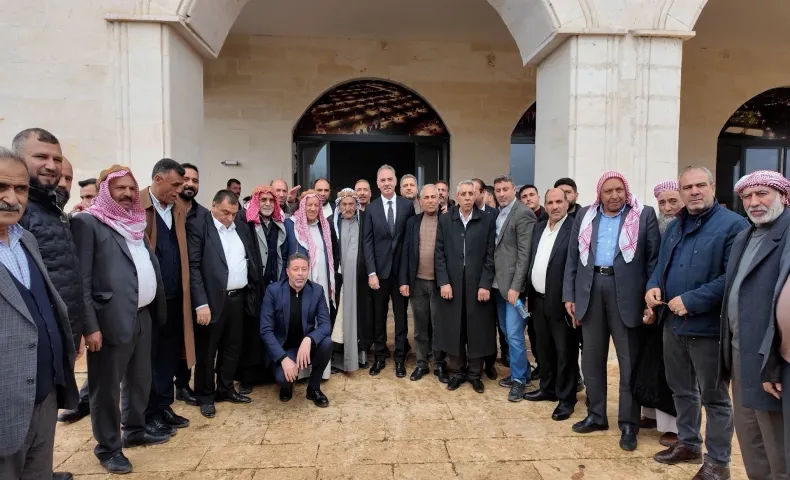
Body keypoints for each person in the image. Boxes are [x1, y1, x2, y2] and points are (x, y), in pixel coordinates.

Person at [645, 167, 747, 479]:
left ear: (713, 187)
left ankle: (718, 463)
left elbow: (732, 278)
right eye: (687, 187)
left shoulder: (734, 225)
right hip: (672, 324)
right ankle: (689, 444)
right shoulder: (676, 226)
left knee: (714, 398)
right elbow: (661, 265)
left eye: (700, 185)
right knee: (681, 389)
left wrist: (692, 300)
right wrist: (653, 286)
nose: (694, 191)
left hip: (708, 328)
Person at [71, 165, 168, 474]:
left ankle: (135, 430)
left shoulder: (134, 222)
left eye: (130, 188)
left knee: (140, 379)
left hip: (142, 315)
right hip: (109, 321)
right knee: (106, 389)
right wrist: (90, 326)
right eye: (119, 188)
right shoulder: (88, 223)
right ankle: (108, 447)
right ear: (105, 191)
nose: (127, 193)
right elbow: (81, 280)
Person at [564, 171, 660, 451]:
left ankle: (629, 424)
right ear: (600, 194)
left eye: (619, 190)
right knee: (591, 359)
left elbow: (653, 261)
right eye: (608, 191)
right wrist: (569, 295)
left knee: (628, 362)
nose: (614, 195)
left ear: (626, 191)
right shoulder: (586, 215)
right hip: (590, 290)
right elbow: (573, 258)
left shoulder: (643, 215)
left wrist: (649, 299)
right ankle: (596, 416)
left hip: (627, 295)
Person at [0, 147, 78, 480]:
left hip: (43, 394)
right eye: (1, 187)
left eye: (20, 189)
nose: (11, 198)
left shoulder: (25, 240)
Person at [719, 170, 789, 480]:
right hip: (740, 351)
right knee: (750, 436)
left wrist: (773, 364)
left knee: (777, 444)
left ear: (782, 196)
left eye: (762, 193)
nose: (753, 202)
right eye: (747, 196)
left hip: (770, 358)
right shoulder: (745, 236)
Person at [15, 130, 85, 437]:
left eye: (56, 158)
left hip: (58, 335)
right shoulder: (19, 211)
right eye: (41, 157)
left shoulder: (53, 211)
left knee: (44, 422)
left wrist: (74, 330)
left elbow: (67, 275)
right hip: (28, 341)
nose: (51, 166)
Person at [187, 189, 257, 418]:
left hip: (238, 299)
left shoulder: (242, 228)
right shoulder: (200, 227)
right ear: (214, 205)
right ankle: (205, 395)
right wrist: (200, 303)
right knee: (208, 351)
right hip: (211, 301)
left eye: (233, 213)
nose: (229, 218)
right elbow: (193, 267)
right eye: (225, 212)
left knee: (232, 347)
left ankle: (225, 389)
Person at [140, 159, 192, 435]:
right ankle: (147, 413)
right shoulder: (136, 206)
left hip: (174, 298)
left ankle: (163, 406)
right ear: (157, 179)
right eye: (175, 184)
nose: (179, 190)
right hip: (149, 301)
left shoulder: (178, 209)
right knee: (147, 358)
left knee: (168, 356)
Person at [435, 180, 497, 393]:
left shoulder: (487, 220)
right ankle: (457, 372)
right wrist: (444, 281)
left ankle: (475, 374)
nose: (468, 197)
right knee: (455, 328)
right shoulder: (445, 220)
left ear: (477, 195)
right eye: (464, 194)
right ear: (457, 196)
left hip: (477, 285)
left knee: (477, 329)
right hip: (452, 284)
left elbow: (491, 254)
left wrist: (485, 284)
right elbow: (439, 254)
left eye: (471, 193)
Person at [524, 188, 577, 420]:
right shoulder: (539, 228)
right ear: (545, 205)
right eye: (550, 202)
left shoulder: (574, 229)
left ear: (567, 203)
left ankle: (566, 398)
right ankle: (548, 388)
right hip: (538, 300)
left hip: (562, 302)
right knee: (543, 349)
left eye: (559, 202)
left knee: (565, 352)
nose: (554, 206)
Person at [638, 180, 683, 446]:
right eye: (662, 202)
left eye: (672, 201)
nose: (667, 207)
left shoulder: (686, 228)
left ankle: (676, 427)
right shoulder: (658, 228)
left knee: (673, 371)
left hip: (678, 310)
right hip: (654, 306)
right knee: (651, 364)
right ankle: (651, 415)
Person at [260, 253, 332, 407]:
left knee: (327, 343)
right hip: (284, 349)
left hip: (305, 347)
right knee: (283, 378)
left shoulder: (316, 291)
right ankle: (286, 386)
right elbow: (265, 330)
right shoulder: (273, 291)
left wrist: (309, 339)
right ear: (287, 271)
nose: (300, 273)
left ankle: (313, 389)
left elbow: (326, 325)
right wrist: (283, 358)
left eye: (304, 269)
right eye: (296, 269)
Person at [363, 165, 415, 377]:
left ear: (395, 181)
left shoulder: (406, 206)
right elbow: (367, 242)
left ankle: (400, 359)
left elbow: (409, 242)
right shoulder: (371, 208)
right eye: (382, 180)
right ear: (377, 183)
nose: (386, 183)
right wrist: (371, 273)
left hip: (400, 274)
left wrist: (406, 276)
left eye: (389, 179)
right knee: (379, 317)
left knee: (401, 318)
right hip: (379, 274)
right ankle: (380, 357)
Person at [237, 185, 289, 392]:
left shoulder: (277, 223)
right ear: (256, 202)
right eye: (263, 200)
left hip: (274, 286)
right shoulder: (246, 223)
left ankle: (269, 372)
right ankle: (248, 377)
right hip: (253, 287)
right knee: (252, 331)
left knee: (271, 328)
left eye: (271, 200)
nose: (267, 204)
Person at [491, 175, 536, 401]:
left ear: (513, 189)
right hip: (498, 285)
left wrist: (516, 287)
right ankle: (523, 373)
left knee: (515, 334)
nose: (501, 193)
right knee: (507, 332)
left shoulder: (523, 213)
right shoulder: (500, 213)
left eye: (505, 189)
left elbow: (524, 255)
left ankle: (518, 381)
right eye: (498, 190)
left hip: (514, 290)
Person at [285, 190, 336, 379]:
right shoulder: (291, 225)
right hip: (299, 283)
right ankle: (300, 370)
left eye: (316, 205)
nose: (313, 208)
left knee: (321, 322)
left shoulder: (324, 226)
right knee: (302, 321)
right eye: (309, 205)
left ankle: (320, 371)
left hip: (320, 286)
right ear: (302, 206)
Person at [400, 184, 448, 382]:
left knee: (439, 326)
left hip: (439, 284)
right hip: (417, 282)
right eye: (426, 197)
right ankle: (421, 363)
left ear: (439, 199)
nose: (430, 201)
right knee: (420, 326)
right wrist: (404, 281)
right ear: (420, 201)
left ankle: (439, 364)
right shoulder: (412, 222)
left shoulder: (447, 221)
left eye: (433, 197)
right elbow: (405, 252)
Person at [330, 188, 370, 373]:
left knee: (360, 317)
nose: (347, 207)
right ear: (339, 206)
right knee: (339, 318)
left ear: (357, 205)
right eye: (344, 204)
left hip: (360, 281)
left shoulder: (364, 222)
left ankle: (360, 357)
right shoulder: (332, 224)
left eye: (351, 204)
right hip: (339, 281)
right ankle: (338, 359)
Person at [473, 177, 508, 377]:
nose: (471, 195)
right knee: (479, 325)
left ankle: (490, 363)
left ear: (483, 193)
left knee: (493, 324)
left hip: (493, 279)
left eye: (475, 191)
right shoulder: (462, 215)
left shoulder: (495, 215)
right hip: (472, 280)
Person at [173, 162, 200, 406]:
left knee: (188, 339)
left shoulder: (203, 214)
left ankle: (182, 385)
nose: (190, 184)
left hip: (195, 287)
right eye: (186, 179)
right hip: (170, 285)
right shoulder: (167, 209)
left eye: (195, 180)